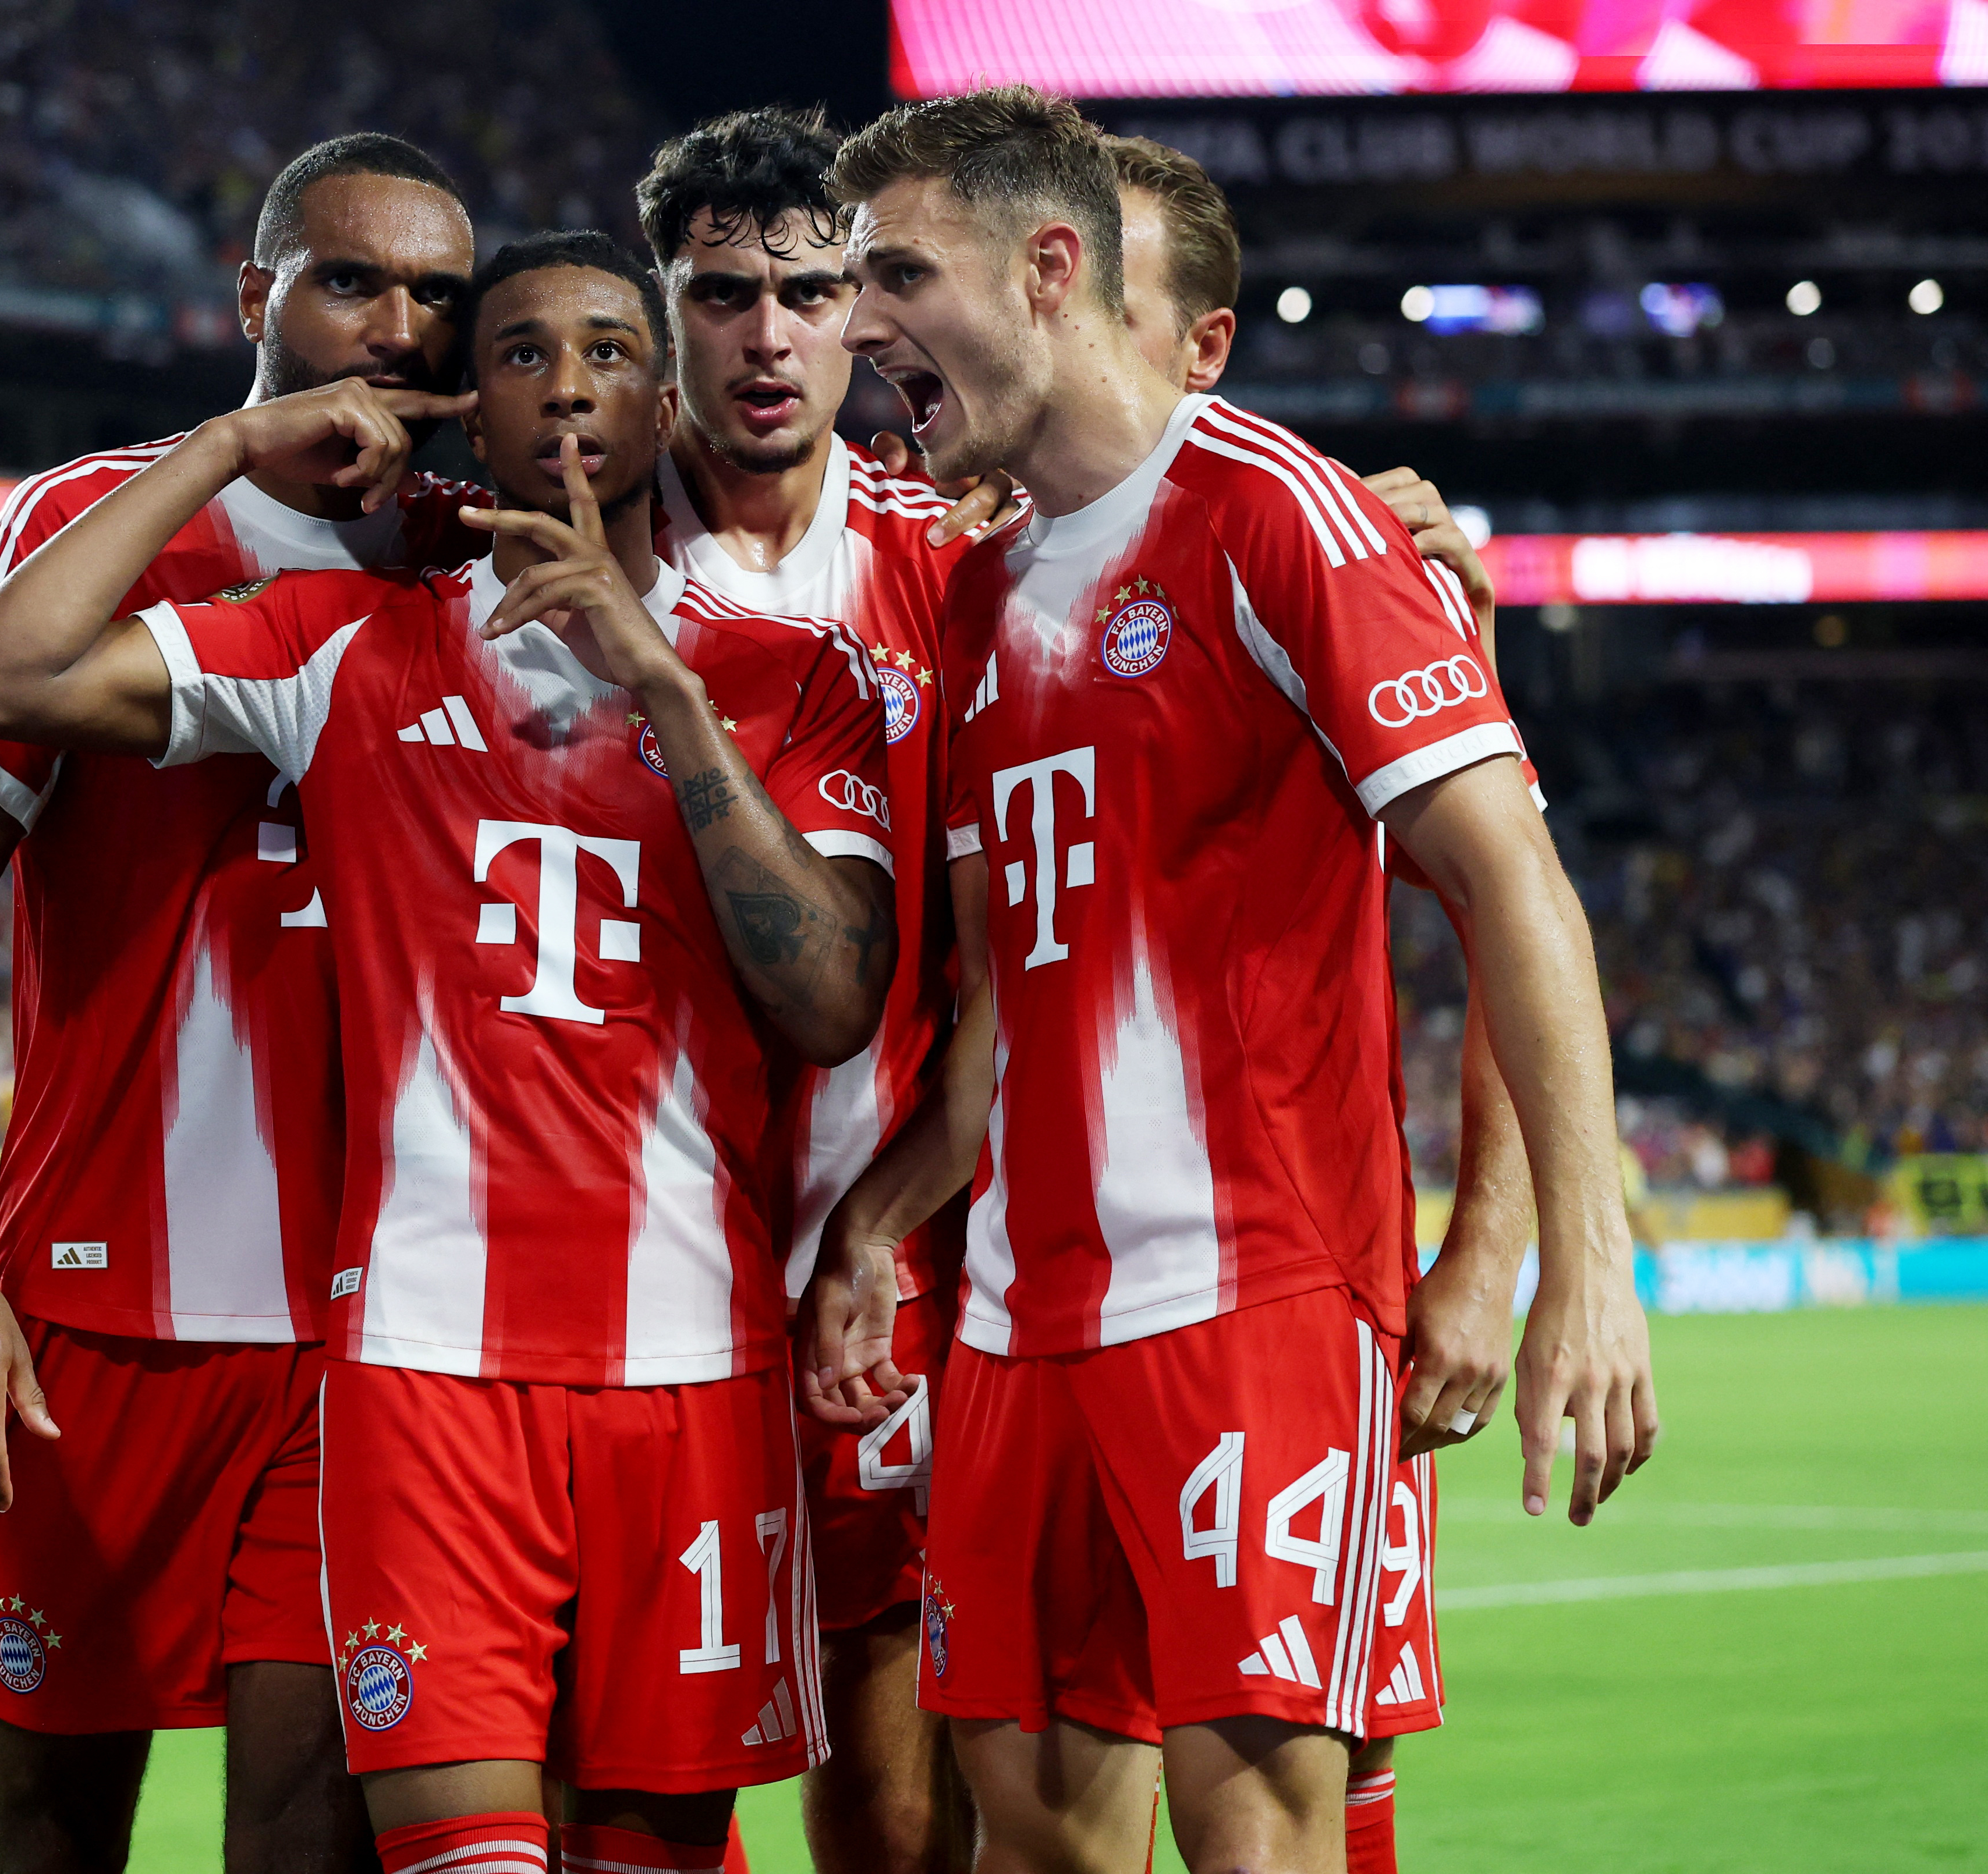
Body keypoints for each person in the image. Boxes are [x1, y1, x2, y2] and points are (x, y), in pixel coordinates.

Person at [0, 229, 896, 1874]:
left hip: (700, 1385)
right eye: (519, 355)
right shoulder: (344, 644)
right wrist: (226, 441)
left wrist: (657, 684)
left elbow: (829, 1001)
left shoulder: (796, 682)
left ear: (666, 403)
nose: (568, 383)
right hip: (424, 1384)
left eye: (605, 350)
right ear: (470, 416)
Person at [807, 86, 1658, 1874]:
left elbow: (1511, 881)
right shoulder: (973, 601)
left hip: (1253, 1293)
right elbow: (1001, 1013)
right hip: (1014, 1326)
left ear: (1049, 271)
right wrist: (887, 1221)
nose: (855, 322)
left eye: (894, 270)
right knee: (1028, 1837)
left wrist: (1567, 1260)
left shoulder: (1282, 516)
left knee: (1260, 1834)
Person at [0, 132, 481, 1874]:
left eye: (438, 292)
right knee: (49, 1826)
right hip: (96, 1308)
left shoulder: (475, 560)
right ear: (253, 293)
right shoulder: (88, 528)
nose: (398, 326)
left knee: (304, 1832)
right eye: (353, 278)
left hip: (367, 1330)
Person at [1098, 132, 1539, 1874]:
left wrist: (1492, 1252)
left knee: (1300, 1790)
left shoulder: (1306, 551)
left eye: (1094, 291)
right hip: (975, 1304)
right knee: (970, 1806)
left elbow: (1518, 911)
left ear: (1195, 343)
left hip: (1271, 1292)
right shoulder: (952, 562)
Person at [632, 106, 1006, 1874]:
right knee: (634, 1778)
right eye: (721, 294)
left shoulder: (952, 563)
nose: (766, 334)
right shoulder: (553, 554)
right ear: (666, 302)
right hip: (628, 1276)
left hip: (879, 1266)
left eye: (805, 291)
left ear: (858, 309)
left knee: (885, 1788)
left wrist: (1403, 524)